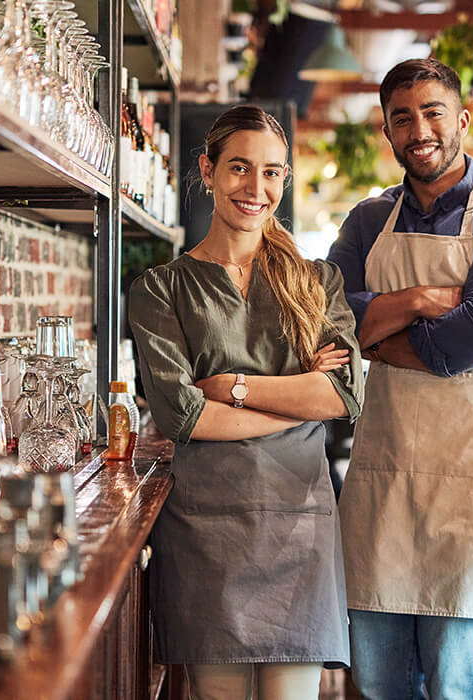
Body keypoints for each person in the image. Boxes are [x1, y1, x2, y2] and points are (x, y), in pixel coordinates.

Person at [326, 58, 473, 698]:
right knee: (376, 682)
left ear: (463, 120)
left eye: (432, 112)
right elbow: (323, 322)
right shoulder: (369, 221)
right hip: (386, 472)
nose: (419, 129)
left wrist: (379, 335)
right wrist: (427, 297)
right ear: (387, 133)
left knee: (457, 684)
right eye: (402, 118)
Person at [128, 104, 364, 699]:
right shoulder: (161, 288)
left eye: (272, 173)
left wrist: (233, 386)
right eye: (239, 168)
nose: (255, 188)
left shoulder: (317, 283)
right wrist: (293, 402)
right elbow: (182, 415)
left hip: (301, 525)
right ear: (206, 171)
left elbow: (341, 396)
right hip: (209, 534)